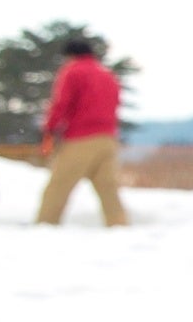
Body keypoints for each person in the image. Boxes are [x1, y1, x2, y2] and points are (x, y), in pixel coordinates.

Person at [34, 33, 127, 228]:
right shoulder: (107, 74)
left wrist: (49, 129)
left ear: (70, 54)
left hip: (81, 138)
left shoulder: (73, 71)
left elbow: (61, 103)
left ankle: (44, 225)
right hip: (108, 138)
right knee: (108, 189)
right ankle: (119, 226)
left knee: (58, 186)